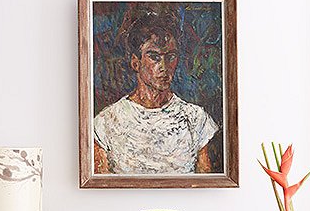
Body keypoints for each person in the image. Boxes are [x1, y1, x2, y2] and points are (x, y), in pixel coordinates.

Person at [94, 12, 219, 174]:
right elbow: (101, 191)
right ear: (135, 63)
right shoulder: (107, 122)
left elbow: (204, 187)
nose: (164, 67)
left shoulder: (195, 118)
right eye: (154, 57)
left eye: (170, 57)